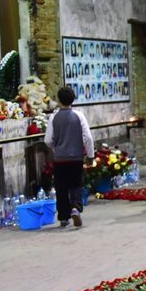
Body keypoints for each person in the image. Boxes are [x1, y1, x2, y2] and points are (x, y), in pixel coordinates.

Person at [44, 85, 94, 230]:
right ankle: (75, 208)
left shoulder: (54, 117)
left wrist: (56, 147)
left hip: (60, 159)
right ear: (73, 100)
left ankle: (63, 218)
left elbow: (48, 140)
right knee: (76, 184)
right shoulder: (79, 116)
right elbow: (88, 138)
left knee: (61, 187)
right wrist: (90, 155)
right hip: (76, 158)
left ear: (59, 100)